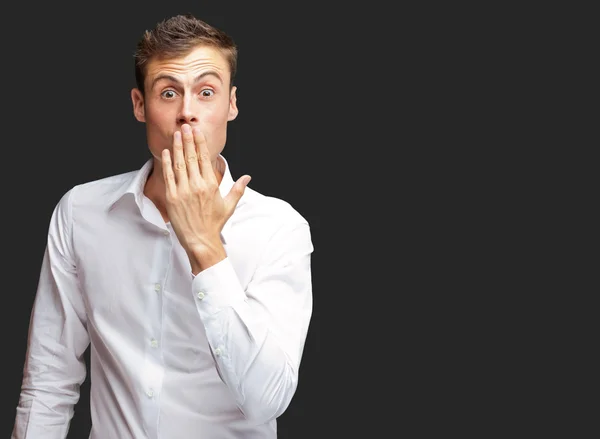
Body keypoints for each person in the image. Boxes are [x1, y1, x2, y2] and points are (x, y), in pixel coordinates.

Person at [12, 13, 313, 439]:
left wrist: (206, 249)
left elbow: (267, 400)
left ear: (231, 104)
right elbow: (48, 384)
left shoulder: (280, 228)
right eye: (168, 92)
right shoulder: (80, 212)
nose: (187, 113)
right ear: (140, 105)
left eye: (206, 92)